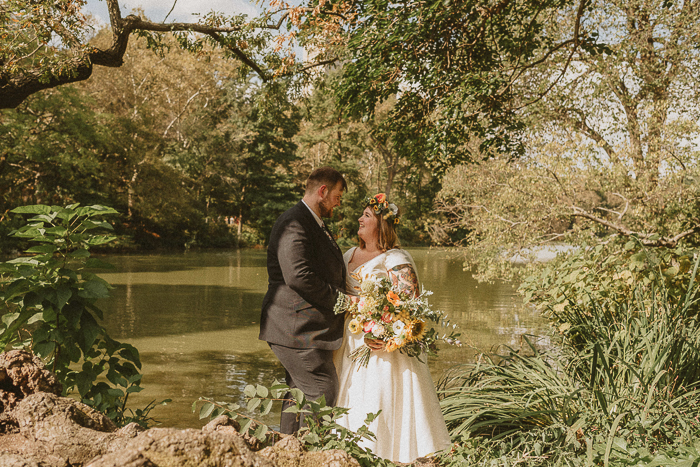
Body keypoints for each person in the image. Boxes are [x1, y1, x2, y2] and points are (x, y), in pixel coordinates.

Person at [333, 193, 452, 463]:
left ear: (381, 224)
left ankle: (384, 456)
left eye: (366, 215)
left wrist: (389, 339)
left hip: (381, 346)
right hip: (349, 340)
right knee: (350, 397)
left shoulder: (395, 258)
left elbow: (410, 305)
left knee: (379, 398)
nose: (359, 219)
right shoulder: (348, 254)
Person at [259, 166, 349, 434]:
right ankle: (312, 455)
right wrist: (343, 301)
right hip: (295, 329)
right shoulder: (294, 222)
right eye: (337, 195)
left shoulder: (313, 223)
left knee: (297, 394)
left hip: (305, 328)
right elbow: (299, 277)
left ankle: (287, 453)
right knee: (322, 389)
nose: (338, 202)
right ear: (323, 191)